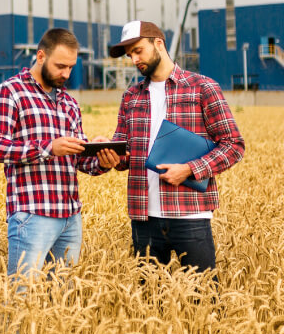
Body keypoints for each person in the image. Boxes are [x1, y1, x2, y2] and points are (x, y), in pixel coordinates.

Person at [90, 20, 245, 273]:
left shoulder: (202, 88)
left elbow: (233, 145)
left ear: (158, 44)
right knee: (150, 299)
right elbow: (124, 155)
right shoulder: (131, 97)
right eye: (130, 55)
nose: (133, 60)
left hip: (190, 215)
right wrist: (108, 154)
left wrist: (190, 169)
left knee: (203, 298)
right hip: (144, 217)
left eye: (138, 51)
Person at [0, 27, 122, 282]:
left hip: (71, 217)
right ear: (40, 56)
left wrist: (102, 158)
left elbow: (80, 160)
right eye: (60, 66)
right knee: (21, 295)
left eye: (70, 67)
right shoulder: (10, 92)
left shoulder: (69, 102)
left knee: (63, 301)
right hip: (33, 213)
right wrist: (48, 148)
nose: (66, 74)